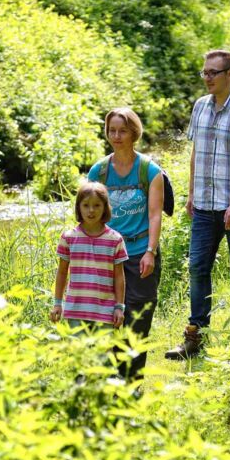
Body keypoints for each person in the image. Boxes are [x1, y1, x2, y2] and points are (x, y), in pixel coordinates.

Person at [165, 49, 230, 361]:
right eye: (204, 72)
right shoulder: (200, 107)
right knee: (197, 267)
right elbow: (197, 152)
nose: (207, 78)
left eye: (213, 73)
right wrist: (192, 193)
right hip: (205, 205)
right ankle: (195, 337)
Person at [86, 107, 164, 380]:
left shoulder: (150, 171)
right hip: (106, 255)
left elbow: (155, 215)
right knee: (107, 316)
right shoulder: (99, 171)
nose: (116, 136)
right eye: (112, 131)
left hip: (140, 252)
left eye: (122, 131)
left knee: (139, 316)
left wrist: (150, 252)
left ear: (134, 133)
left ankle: (132, 377)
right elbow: (88, 214)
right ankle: (110, 375)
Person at [50, 181, 128, 332]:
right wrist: (58, 303)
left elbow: (119, 276)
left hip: (105, 312)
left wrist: (119, 307)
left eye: (97, 205)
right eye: (86, 205)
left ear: (105, 207)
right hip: (75, 310)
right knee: (78, 355)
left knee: (103, 356)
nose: (91, 210)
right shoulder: (68, 237)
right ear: (78, 207)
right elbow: (61, 273)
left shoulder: (115, 239)